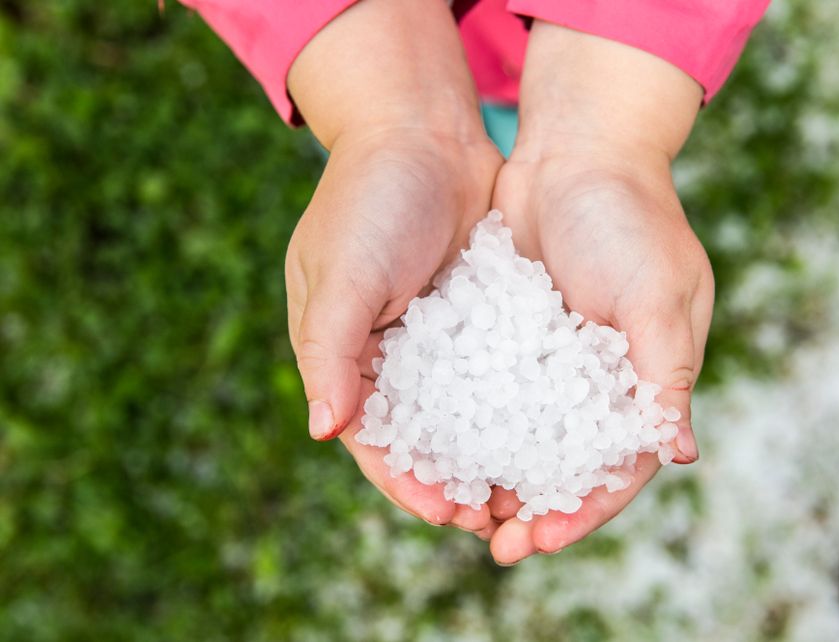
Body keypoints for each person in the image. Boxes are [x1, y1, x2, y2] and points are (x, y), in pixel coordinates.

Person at [178, 0, 769, 565]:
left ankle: (523, 123)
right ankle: (476, 122)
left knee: (523, 128)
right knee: (487, 120)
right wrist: (390, 111)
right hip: (389, 49)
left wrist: (605, 128)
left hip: (600, 50)